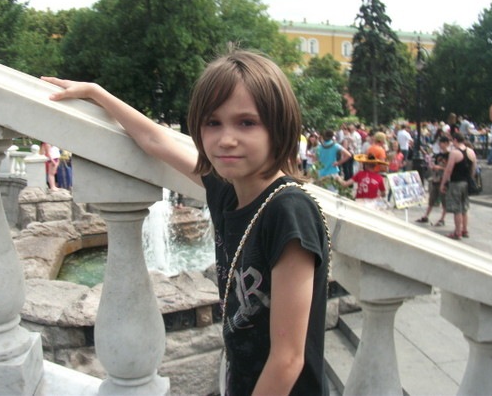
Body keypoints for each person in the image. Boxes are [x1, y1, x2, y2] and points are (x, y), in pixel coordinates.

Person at [42, 50, 330, 396]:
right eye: (213, 123)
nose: (226, 139)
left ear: (279, 127)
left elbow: (288, 359)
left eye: (246, 123)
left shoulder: (289, 211)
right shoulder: (227, 192)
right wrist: (97, 93)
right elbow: (155, 140)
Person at [440, 132, 477, 240]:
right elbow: (473, 168)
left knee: (457, 209)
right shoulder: (471, 152)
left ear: (455, 140)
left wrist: (443, 183)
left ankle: (457, 232)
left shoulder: (455, 153)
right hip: (466, 182)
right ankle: (464, 229)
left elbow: (448, 170)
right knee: (464, 208)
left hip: (456, 182)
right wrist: (470, 179)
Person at [416, 136, 450, 226]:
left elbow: (450, 168)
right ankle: (426, 216)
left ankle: (442, 218)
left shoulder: (450, 155)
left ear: (446, 143)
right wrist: (433, 167)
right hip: (436, 178)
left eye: (442, 143)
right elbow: (434, 163)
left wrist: (440, 168)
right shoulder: (438, 155)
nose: (440, 145)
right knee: (432, 199)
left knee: (444, 200)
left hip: (444, 179)